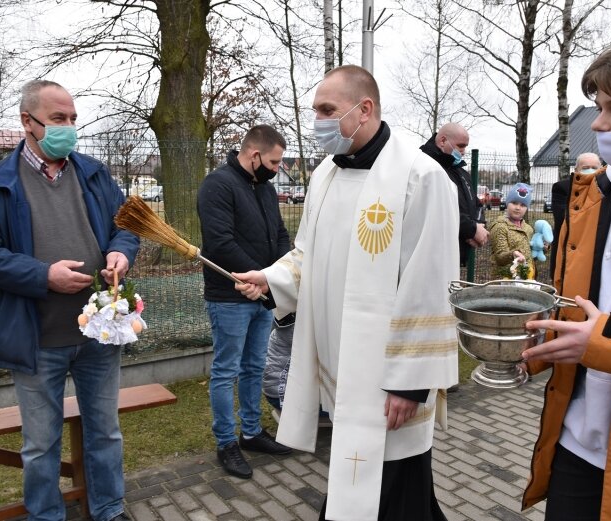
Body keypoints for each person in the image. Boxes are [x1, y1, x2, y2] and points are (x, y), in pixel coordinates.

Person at [234, 65, 459, 521]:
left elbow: (430, 282)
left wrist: (411, 384)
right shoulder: (325, 176)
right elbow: (309, 255)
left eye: (326, 110)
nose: (317, 121)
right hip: (342, 365)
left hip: (390, 375)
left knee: (399, 485)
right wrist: (271, 278)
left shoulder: (420, 176)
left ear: (365, 109)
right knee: (366, 478)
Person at [0, 80, 138, 521]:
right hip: (38, 338)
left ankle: (109, 509)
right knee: (40, 444)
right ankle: (46, 515)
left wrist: (121, 252)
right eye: (59, 119)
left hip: (99, 331)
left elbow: (127, 224)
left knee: (106, 433)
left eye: (73, 119)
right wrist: (44, 276)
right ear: (28, 122)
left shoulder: (92, 173)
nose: (69, 128)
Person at [521, 31, 611, 521]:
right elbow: (571, 305)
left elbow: (596, 335)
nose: (597, 123)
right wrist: (529, 349)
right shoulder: (591, 196)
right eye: (599, 107)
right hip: (577, 443)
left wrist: (602, 343)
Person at [197, 124, 293, 480]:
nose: (276, 168)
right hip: (230, 297)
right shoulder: (218, 186)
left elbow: (280, 234)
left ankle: (251, 432)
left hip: (263, 293)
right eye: (273, 161)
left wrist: (276, 276)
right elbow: (220, 244)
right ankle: (226, 442)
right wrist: (257, 277)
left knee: (255, 366)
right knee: (226, 371)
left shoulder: (265, 189)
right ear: (255, 155)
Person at [420, 123, 488, 265]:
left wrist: (478, 226)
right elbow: (439, 209)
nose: (463, 151)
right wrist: (471, 230)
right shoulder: (426, 167)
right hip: (434, 255)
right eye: (461, 146)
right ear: (443, 141)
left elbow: (476, 204)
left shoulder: (460, 172)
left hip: (456, 253)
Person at [549, 152, 603, 278]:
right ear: (576, 169)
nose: (590, 170)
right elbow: (563, 217)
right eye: (585, 168)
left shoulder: (605, 188)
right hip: (568, 252)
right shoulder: (562, 188)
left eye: (595, 167)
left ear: (601, 169)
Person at [488, 183, 535, 279]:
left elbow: (530, 253)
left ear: (527, 208)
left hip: (526, 278)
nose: (518, 207)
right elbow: (500, 257)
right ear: (507, 203)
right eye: (514, 203)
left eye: (523, 205)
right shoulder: (500, 227)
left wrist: (544, 247)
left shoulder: (528, 228)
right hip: (505, 280)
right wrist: (513, 254)